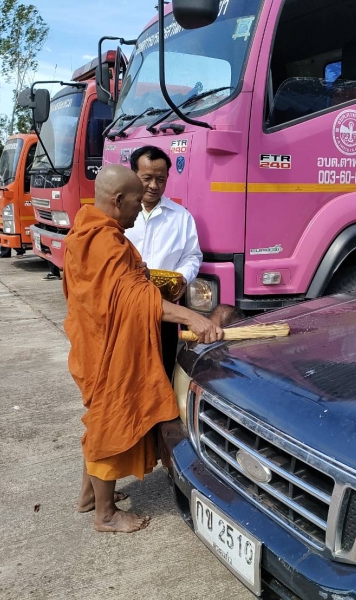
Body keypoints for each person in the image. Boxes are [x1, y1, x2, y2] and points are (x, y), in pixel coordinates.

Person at [64, 164, 223, 533]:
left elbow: (111, 289)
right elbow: (134, 299)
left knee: (102, 417)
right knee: (109, 422)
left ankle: (89, 496)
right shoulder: (103, 242)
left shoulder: (85, 228)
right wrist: (194, 318)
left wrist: (143, 276)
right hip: (109, 349)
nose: (142, 207)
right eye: (137, 201)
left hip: (95, 339)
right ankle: (106, 515)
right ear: (119, 200)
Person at [126, 145, 202, 380]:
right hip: (127, 307)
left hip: (164, 308)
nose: (153, 185)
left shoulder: (180, 216)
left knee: (162, 370)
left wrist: (182, 277)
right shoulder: (121, 213)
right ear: (133, 175)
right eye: (147, 178)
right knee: (127, 369)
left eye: (160, 179)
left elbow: (192, 255)